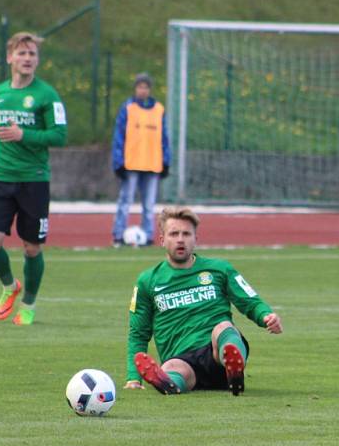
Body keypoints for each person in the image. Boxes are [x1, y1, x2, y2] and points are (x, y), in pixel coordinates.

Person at [0, 31, 67, 326]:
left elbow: (59, 136)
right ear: (10, 58)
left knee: (32, 247)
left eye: (32, 54)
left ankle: (29, 304)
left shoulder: (47, 95)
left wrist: (24, 134)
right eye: (22, 53)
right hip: (1, 177)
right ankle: (9, 286)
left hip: (34, 180)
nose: (28, 58)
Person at [124, 206, 283, 396]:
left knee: (223, 327)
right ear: (162, 240)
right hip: (183, 360)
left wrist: (266, 316)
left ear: (195, 239)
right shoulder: (147, 281)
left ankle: (233, 368)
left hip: (216, 353)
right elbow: (138, 333)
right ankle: (168, 383)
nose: (180, 239)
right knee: (172, 367)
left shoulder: (219, 269)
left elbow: (249, 300)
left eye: (186, 234)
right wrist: (134, 378)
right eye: (174, 234)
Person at [111, 73, 171, 246]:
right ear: (135, 89)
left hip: (152, 163)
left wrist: (166, 161)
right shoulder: (128, 108)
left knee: (149, 204)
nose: (142, 90)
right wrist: (118, 162)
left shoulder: (159, 109)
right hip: (131, 163)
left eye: (145, 87)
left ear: (150, 90)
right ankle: (118, 234)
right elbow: (119, 136)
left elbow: (164, 138)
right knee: (125, 201)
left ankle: (148, 235)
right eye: (139, 87)